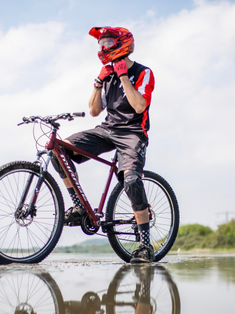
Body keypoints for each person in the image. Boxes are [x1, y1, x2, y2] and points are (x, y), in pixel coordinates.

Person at [50, 26, 155, 263]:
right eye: (101, 44)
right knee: (60, 150)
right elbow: (95, 111)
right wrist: (98, 82)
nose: (103, 48)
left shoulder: (143, 73)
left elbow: (139, 106)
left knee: (131, 180)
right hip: (107, 129)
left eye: (107, 43)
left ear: (122, 44)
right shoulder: (107, 76)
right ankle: (78, 206)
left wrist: (123, 77)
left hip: (133, 132)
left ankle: (145, 245)